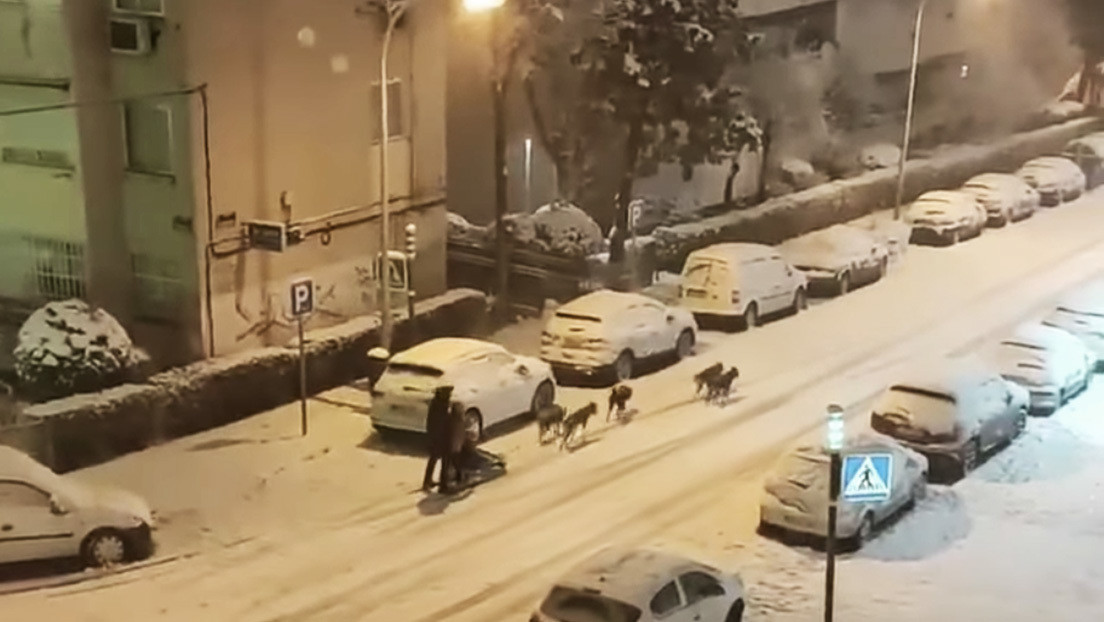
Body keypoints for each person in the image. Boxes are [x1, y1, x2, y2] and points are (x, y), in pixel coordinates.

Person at [421, 384, 454, 493]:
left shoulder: (436, 403)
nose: (449, 396)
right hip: (441, 437)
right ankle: (443, 485)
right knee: (445, 460)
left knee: (434, 458)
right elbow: (442, 422)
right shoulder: (441, 405)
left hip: (435, 436)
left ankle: (427, 481)